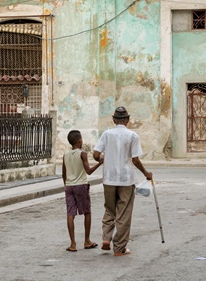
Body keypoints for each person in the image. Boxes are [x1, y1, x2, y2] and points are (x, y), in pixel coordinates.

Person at [93, 106, 152, 256]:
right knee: (124, 213)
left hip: (109, 178)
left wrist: (101, 159)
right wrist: (146, 173)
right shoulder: (132, 135)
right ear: (128, 120)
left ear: (114, 120)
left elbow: (95, 154)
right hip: (126, 179)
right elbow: (135, 159)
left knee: (109, 209)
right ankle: (119, 247)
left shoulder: (107, 134)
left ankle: (106, 239)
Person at [62, 129, 103, 252]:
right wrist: (100, 163)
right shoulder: (82, 154)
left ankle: (73, 244)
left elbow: (64, 174)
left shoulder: (66, 155)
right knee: (87, 212)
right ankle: (87, 241)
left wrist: (66, 185)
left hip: (69, 186)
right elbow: (88, 171)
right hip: (81, 185)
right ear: (80, 141)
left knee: (70, 214)